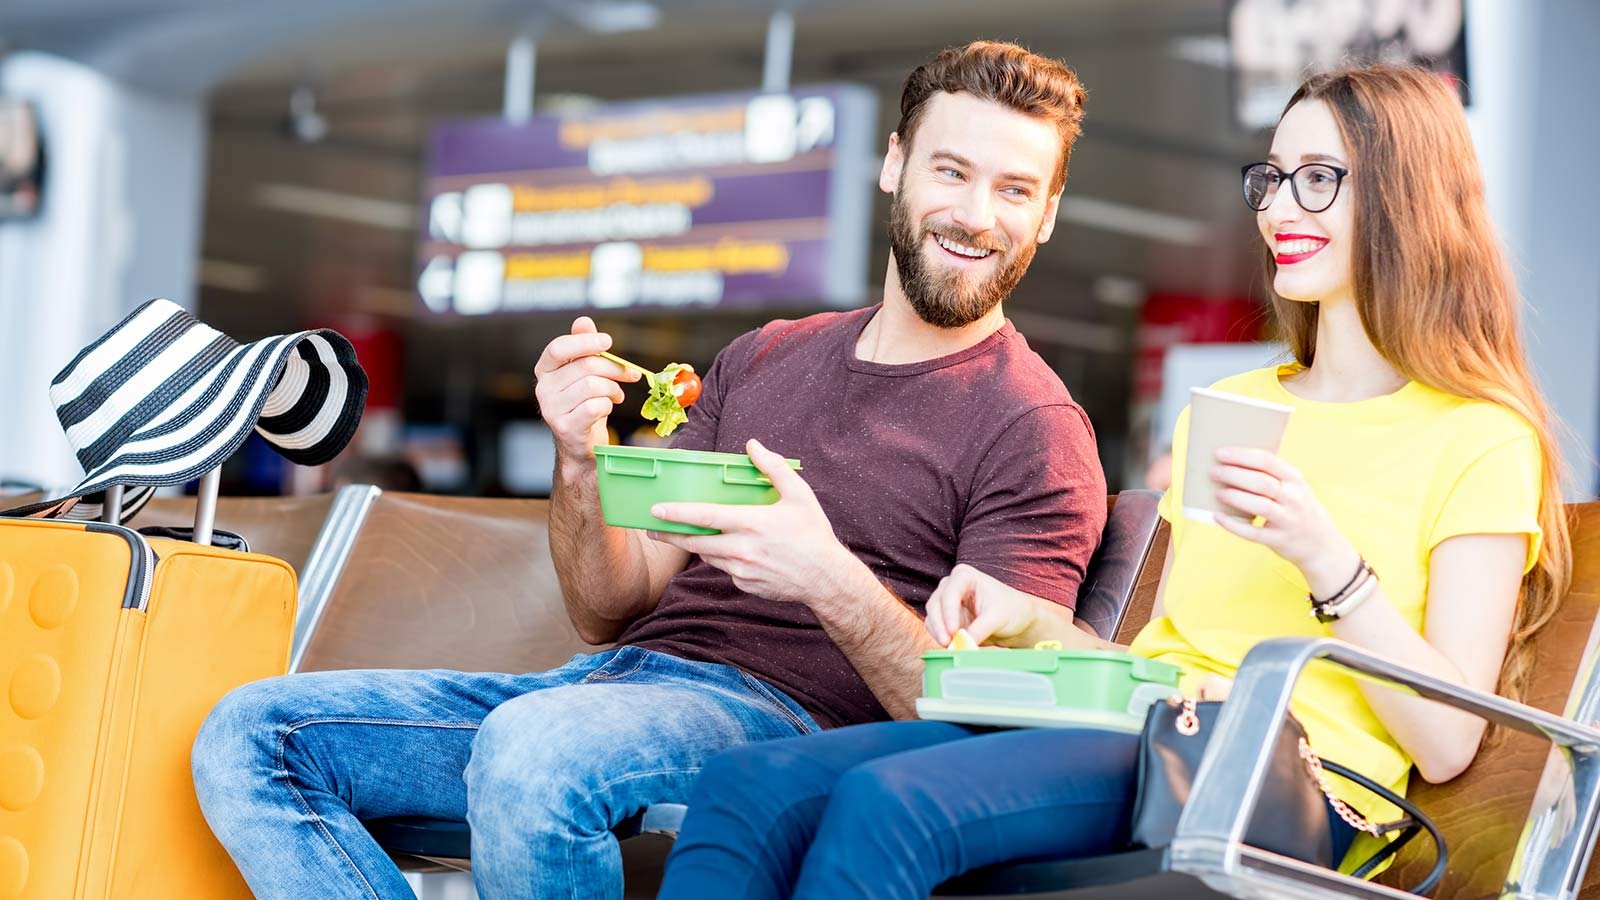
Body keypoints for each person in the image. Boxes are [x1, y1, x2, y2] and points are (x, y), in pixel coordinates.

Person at [189, 41, 1108, 900]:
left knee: (533, 749)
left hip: (789, 732)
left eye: (1015, 189)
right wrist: (581, 461)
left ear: (1050, 214)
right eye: (952, 172)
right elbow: (607, 606)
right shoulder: (765, 356)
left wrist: (826, 575)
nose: (978, 216)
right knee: (251, 737)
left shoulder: (1034, 429)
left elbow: (978, 727)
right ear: (896, 165)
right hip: (612, 687)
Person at [654, 63, 1572, 900]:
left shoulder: (1479, 435)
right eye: (1274, 176)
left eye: (1320, 178)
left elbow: (1447, 743)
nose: (1281, 206)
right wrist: (1031, 624)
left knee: (894, 808)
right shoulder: (1236, 402)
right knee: (750, 789)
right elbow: (1158, 662)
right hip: (1146, 729)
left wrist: (1327, 560)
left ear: (1409, 198)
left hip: (1285, 778)